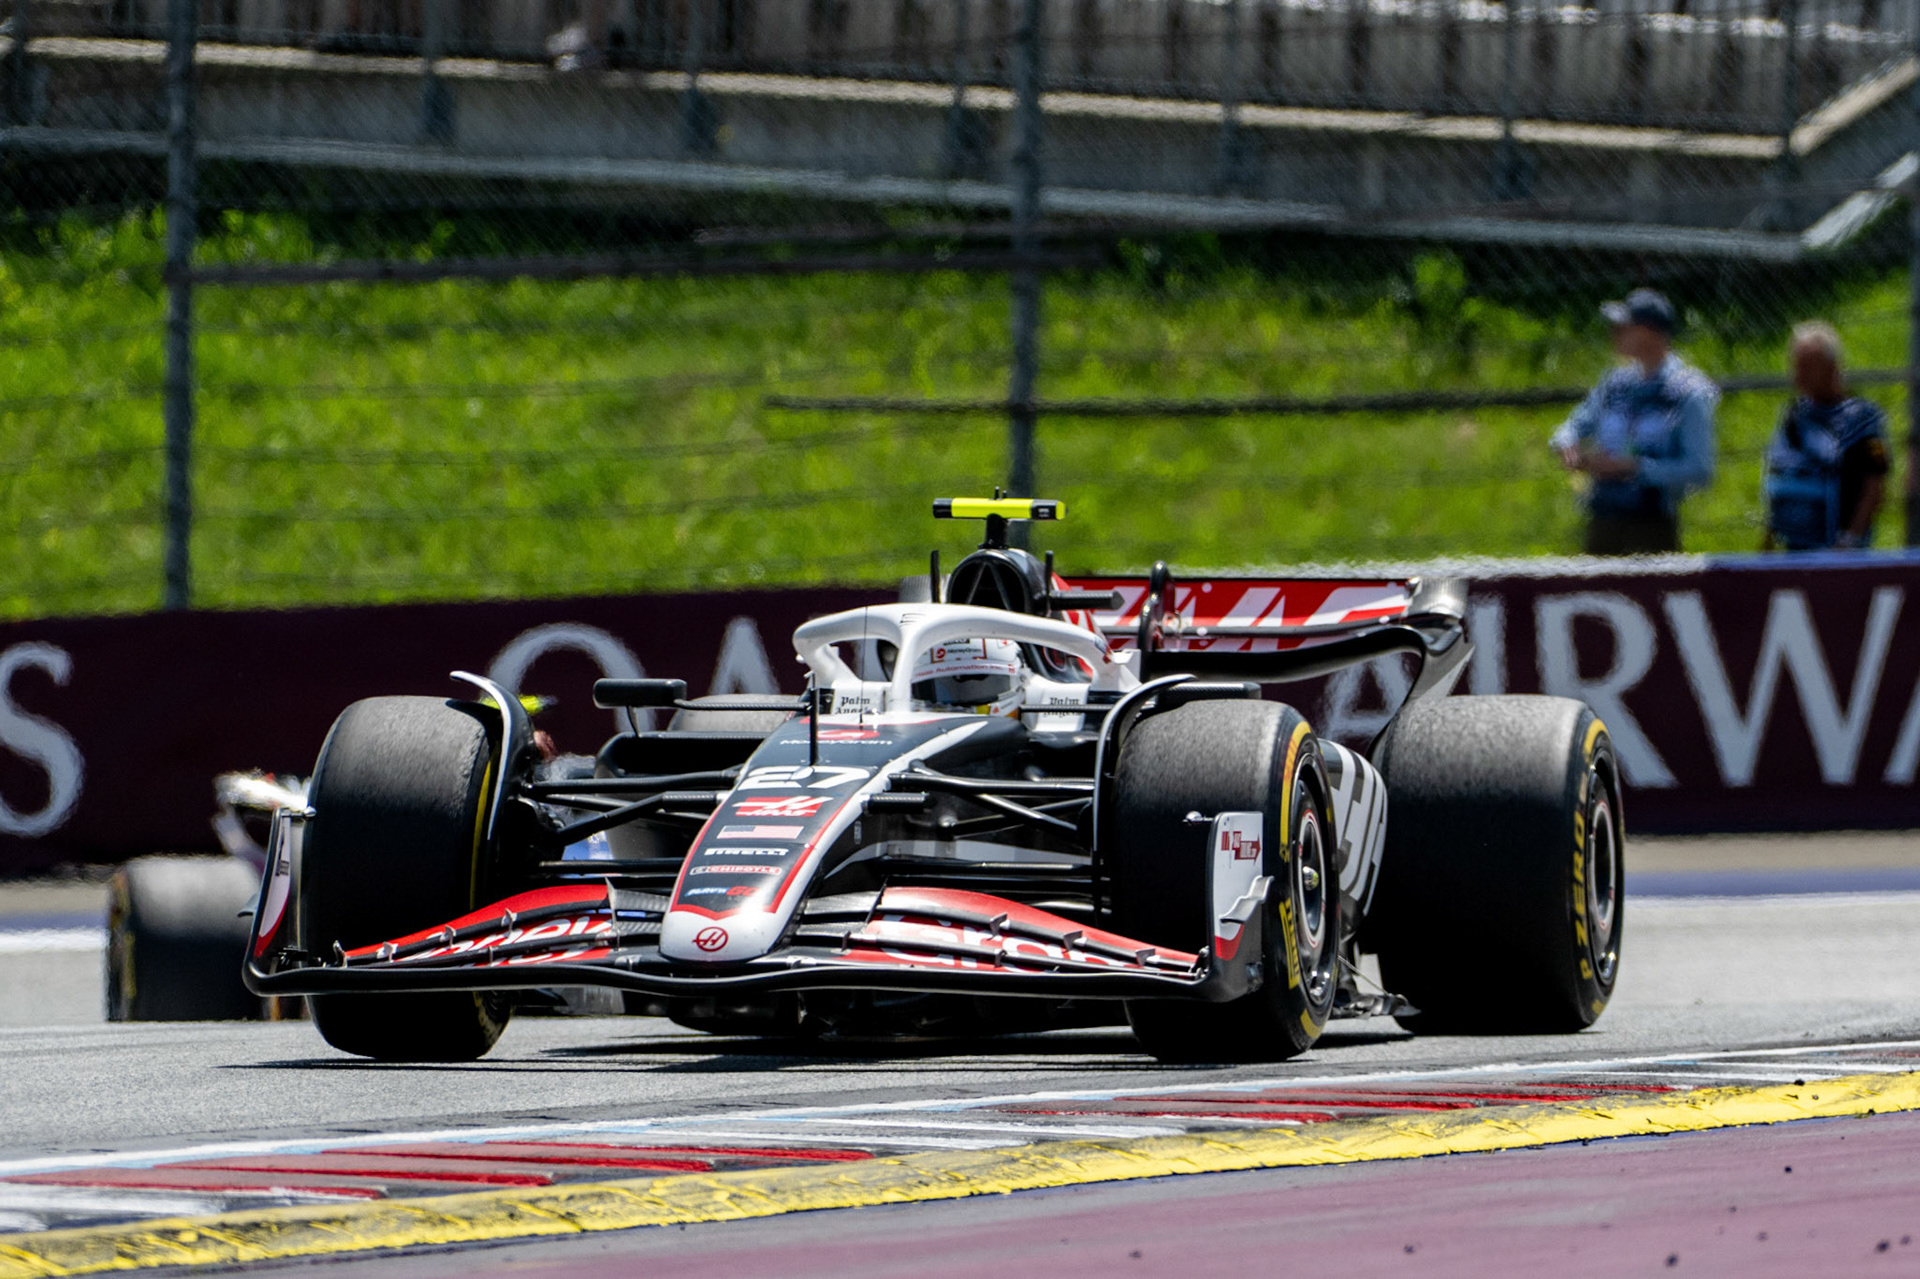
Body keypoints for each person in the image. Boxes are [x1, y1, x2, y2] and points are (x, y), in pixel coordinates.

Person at [1551, 289, 1719, 554]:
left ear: (1649, 333)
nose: (1613, 332)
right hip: (1603, 520)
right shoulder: (1615, 383)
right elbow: (1574, 424)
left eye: (1623, 327)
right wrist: (1567, 444)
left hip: (1652, 526)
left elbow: (1700, 469)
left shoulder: (1689, 392)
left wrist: (1635, 469)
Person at [1763, 321, 1889, 551]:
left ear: (1832, 367)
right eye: (1796, 365)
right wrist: (1768, 541)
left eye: (1807, 366)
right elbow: (1779, 477)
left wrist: (1850, 539)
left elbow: (1875, 485)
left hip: (1839, 550)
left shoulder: (1863, 420)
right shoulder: (1793, 415)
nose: (1798, 375)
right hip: (1794, 549)